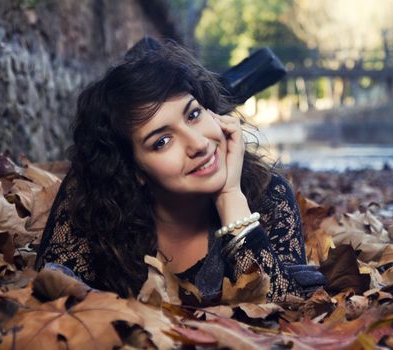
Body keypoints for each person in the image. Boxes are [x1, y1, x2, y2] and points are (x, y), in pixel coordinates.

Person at [35, 37, 326, 303]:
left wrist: (230, 197)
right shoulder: (92, 202)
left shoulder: (267, 195)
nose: (198, 144)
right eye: (162, 141)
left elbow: (284, 312)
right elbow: (53, 295)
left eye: (194, 114)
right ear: (132, 168)